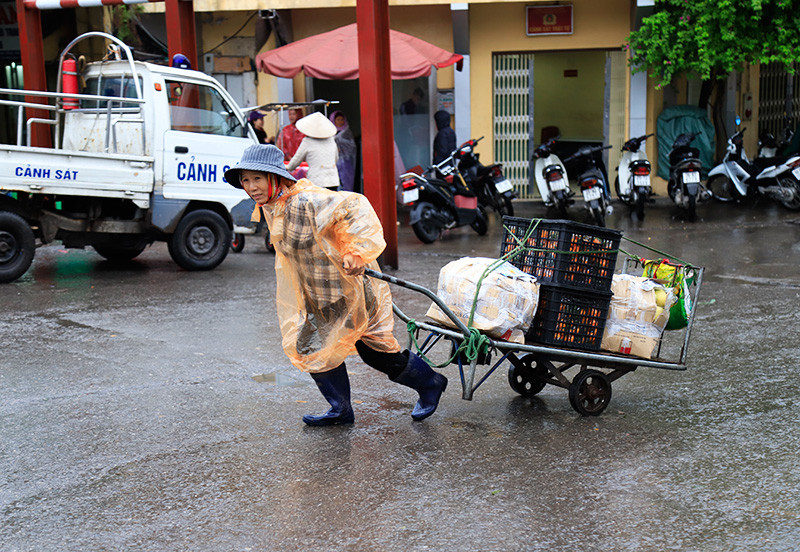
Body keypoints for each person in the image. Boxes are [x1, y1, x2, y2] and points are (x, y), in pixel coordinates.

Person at [224, 144, 448, 426]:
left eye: (257, 178)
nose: (251, 187)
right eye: (245, 180)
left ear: (276, 177)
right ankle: (340, 409)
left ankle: (431, 383)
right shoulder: (272, 206)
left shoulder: (304, 200)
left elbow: (354, 207)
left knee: (376, 354)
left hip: (351, 292)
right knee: (312, 349)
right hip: (319, 293)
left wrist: (355, 252)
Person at [287, 112, 340, 191]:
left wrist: (288, 167)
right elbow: (336, 158)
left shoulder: (307, 141)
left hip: (316, 182)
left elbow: (296, 160)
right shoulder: (331, 140)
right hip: (333, 181)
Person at [329, 110, 357, 192]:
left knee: (346, 184)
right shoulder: (329, 133)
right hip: (333, 163)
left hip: (345, 163)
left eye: (342, 120)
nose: (340, 122)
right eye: (338, 120)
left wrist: (343, 150)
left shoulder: (347, 133)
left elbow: (352, 146)